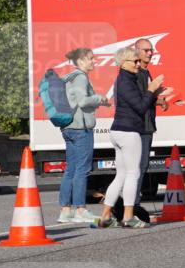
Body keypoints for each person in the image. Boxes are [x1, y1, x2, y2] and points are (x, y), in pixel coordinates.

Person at [95, 47, 164, 229]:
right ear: (123, 63)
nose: (138, 64)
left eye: (138, 61)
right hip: (128, 132)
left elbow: (140, 101)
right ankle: (127, 217)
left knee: (121, 175)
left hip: (119, 131)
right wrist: (151, 89)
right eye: (134, 61)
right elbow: (141, 107)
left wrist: (153, 93)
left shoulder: (125, 79)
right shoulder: (126, 81)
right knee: (133, 174)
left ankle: (105, 216)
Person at [58, 47, 109, 222]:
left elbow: (74, 102)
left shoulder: (68, 77)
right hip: (81, 129)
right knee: (82, 169)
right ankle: (80, 210)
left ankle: (65, 211)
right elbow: (82, 101)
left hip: (68, 127)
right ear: (80, 61)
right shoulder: (80, 77)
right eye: (90, 58)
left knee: (70, 169)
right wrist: (100, 98)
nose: (94, 61)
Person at [132, 39, 169, 219]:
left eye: (151, 50)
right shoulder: (137, 72)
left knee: (141, 165)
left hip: (146, 125)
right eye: (145, 50)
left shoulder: (145, 72)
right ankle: (133, 205)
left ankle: (131, 204)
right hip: (140, 126)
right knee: (138, 166)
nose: (149, 53)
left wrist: (159, 99)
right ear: (136, 50)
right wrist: (154, 96)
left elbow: (147, 96)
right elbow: (141, 98)